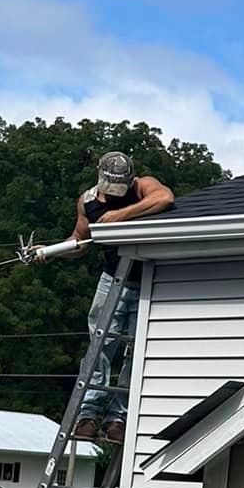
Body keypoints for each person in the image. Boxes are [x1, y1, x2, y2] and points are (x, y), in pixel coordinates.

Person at [50, 151, 173, 443]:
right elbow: (79, 242)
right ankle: (88, 416)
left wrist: (120, 215)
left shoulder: (142, 187)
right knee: (101, 347)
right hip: (112, 280)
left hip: (146, 280)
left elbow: (165, 198)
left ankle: (118, 418)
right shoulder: (88, 201)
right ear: (100, 175)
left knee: (136, 351)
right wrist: (51, 251)